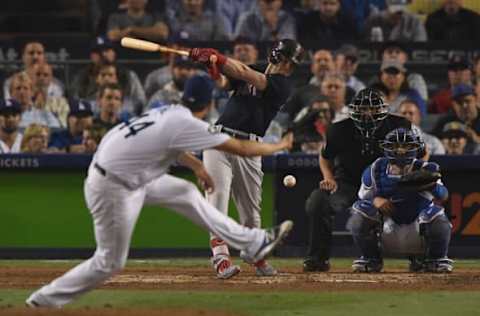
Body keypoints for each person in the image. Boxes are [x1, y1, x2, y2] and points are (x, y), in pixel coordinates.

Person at [26, 75, 294, 308]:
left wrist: (198, 165)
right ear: (209, 104)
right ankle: (44, 299)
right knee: (109, 262)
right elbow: (244, 148)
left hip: (125, 175)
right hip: (113, 188)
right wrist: (280, 145)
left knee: (185, 193)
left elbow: (173, 145)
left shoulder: (168, 111)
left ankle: (253, 241)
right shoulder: (189, 124)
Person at [188, 39, 304, 278]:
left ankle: (254, 253)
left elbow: (243, 72)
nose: (287, 66)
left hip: (250, 146)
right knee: (217, 197)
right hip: (218, 139)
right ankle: (220, 258)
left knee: (251, 211)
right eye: (286, 60)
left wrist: (217, 57)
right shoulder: (254, 71)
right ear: (277, 56)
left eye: (290, 62)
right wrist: (211, 66)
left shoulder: (282, 85)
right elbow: (223, 83)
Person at [303, 88, 411, 272]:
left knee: (416, 198)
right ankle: (317, 259)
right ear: (354, 110)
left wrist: (406, 179)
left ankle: (421, 256)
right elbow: (324, 156)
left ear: (383, 110)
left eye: (373, 109)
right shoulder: (337, 129)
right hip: (348, 183)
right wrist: (329, 178)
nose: (368, 114)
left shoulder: (400, 126)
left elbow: (422, 154)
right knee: (318, 200)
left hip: (388, 184)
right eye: (363, 109)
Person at [348, 128, 453, 273]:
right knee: (359, 211)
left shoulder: (425, 169)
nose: (401, 151)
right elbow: (362, 197)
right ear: (386, 147)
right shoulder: (375, 168)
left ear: (416, 147)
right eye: (395, 146)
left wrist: (432, 185)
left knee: (437, 215)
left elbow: (444, 196)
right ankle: (371, 258)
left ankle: (435, 259)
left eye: (406, 146)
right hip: (387, 228)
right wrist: (375, 200)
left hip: (418, 230)